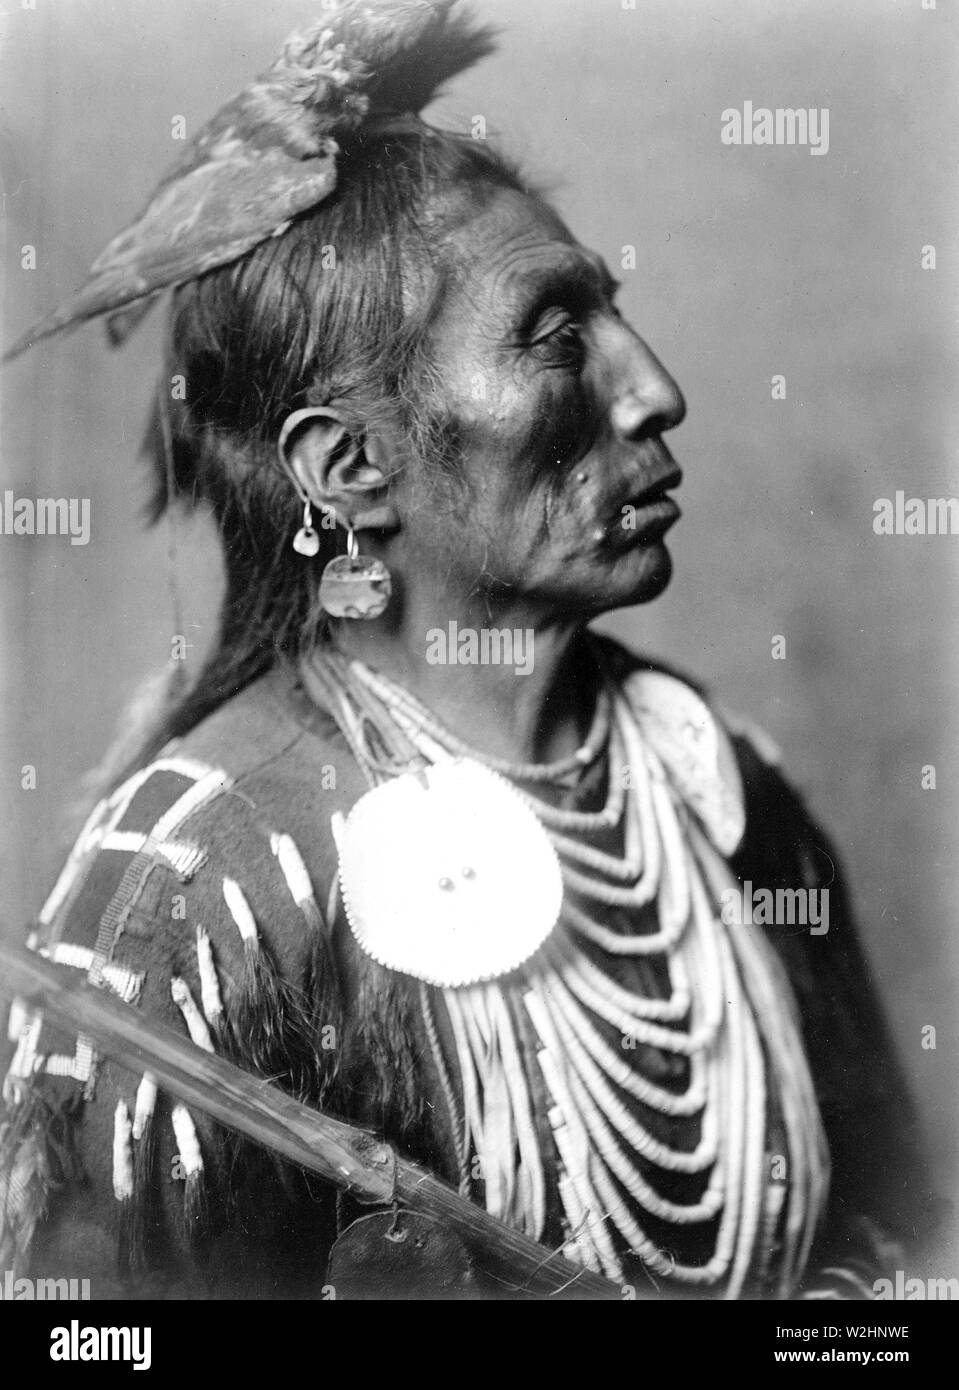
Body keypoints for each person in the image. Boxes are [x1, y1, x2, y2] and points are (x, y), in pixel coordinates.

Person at [0, 1, 927, 1300]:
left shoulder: (719, 793)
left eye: (611, 314)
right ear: (347, 466)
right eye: (555, 335)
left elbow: (904, 1237)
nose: (654, 388)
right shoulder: (193, 901)